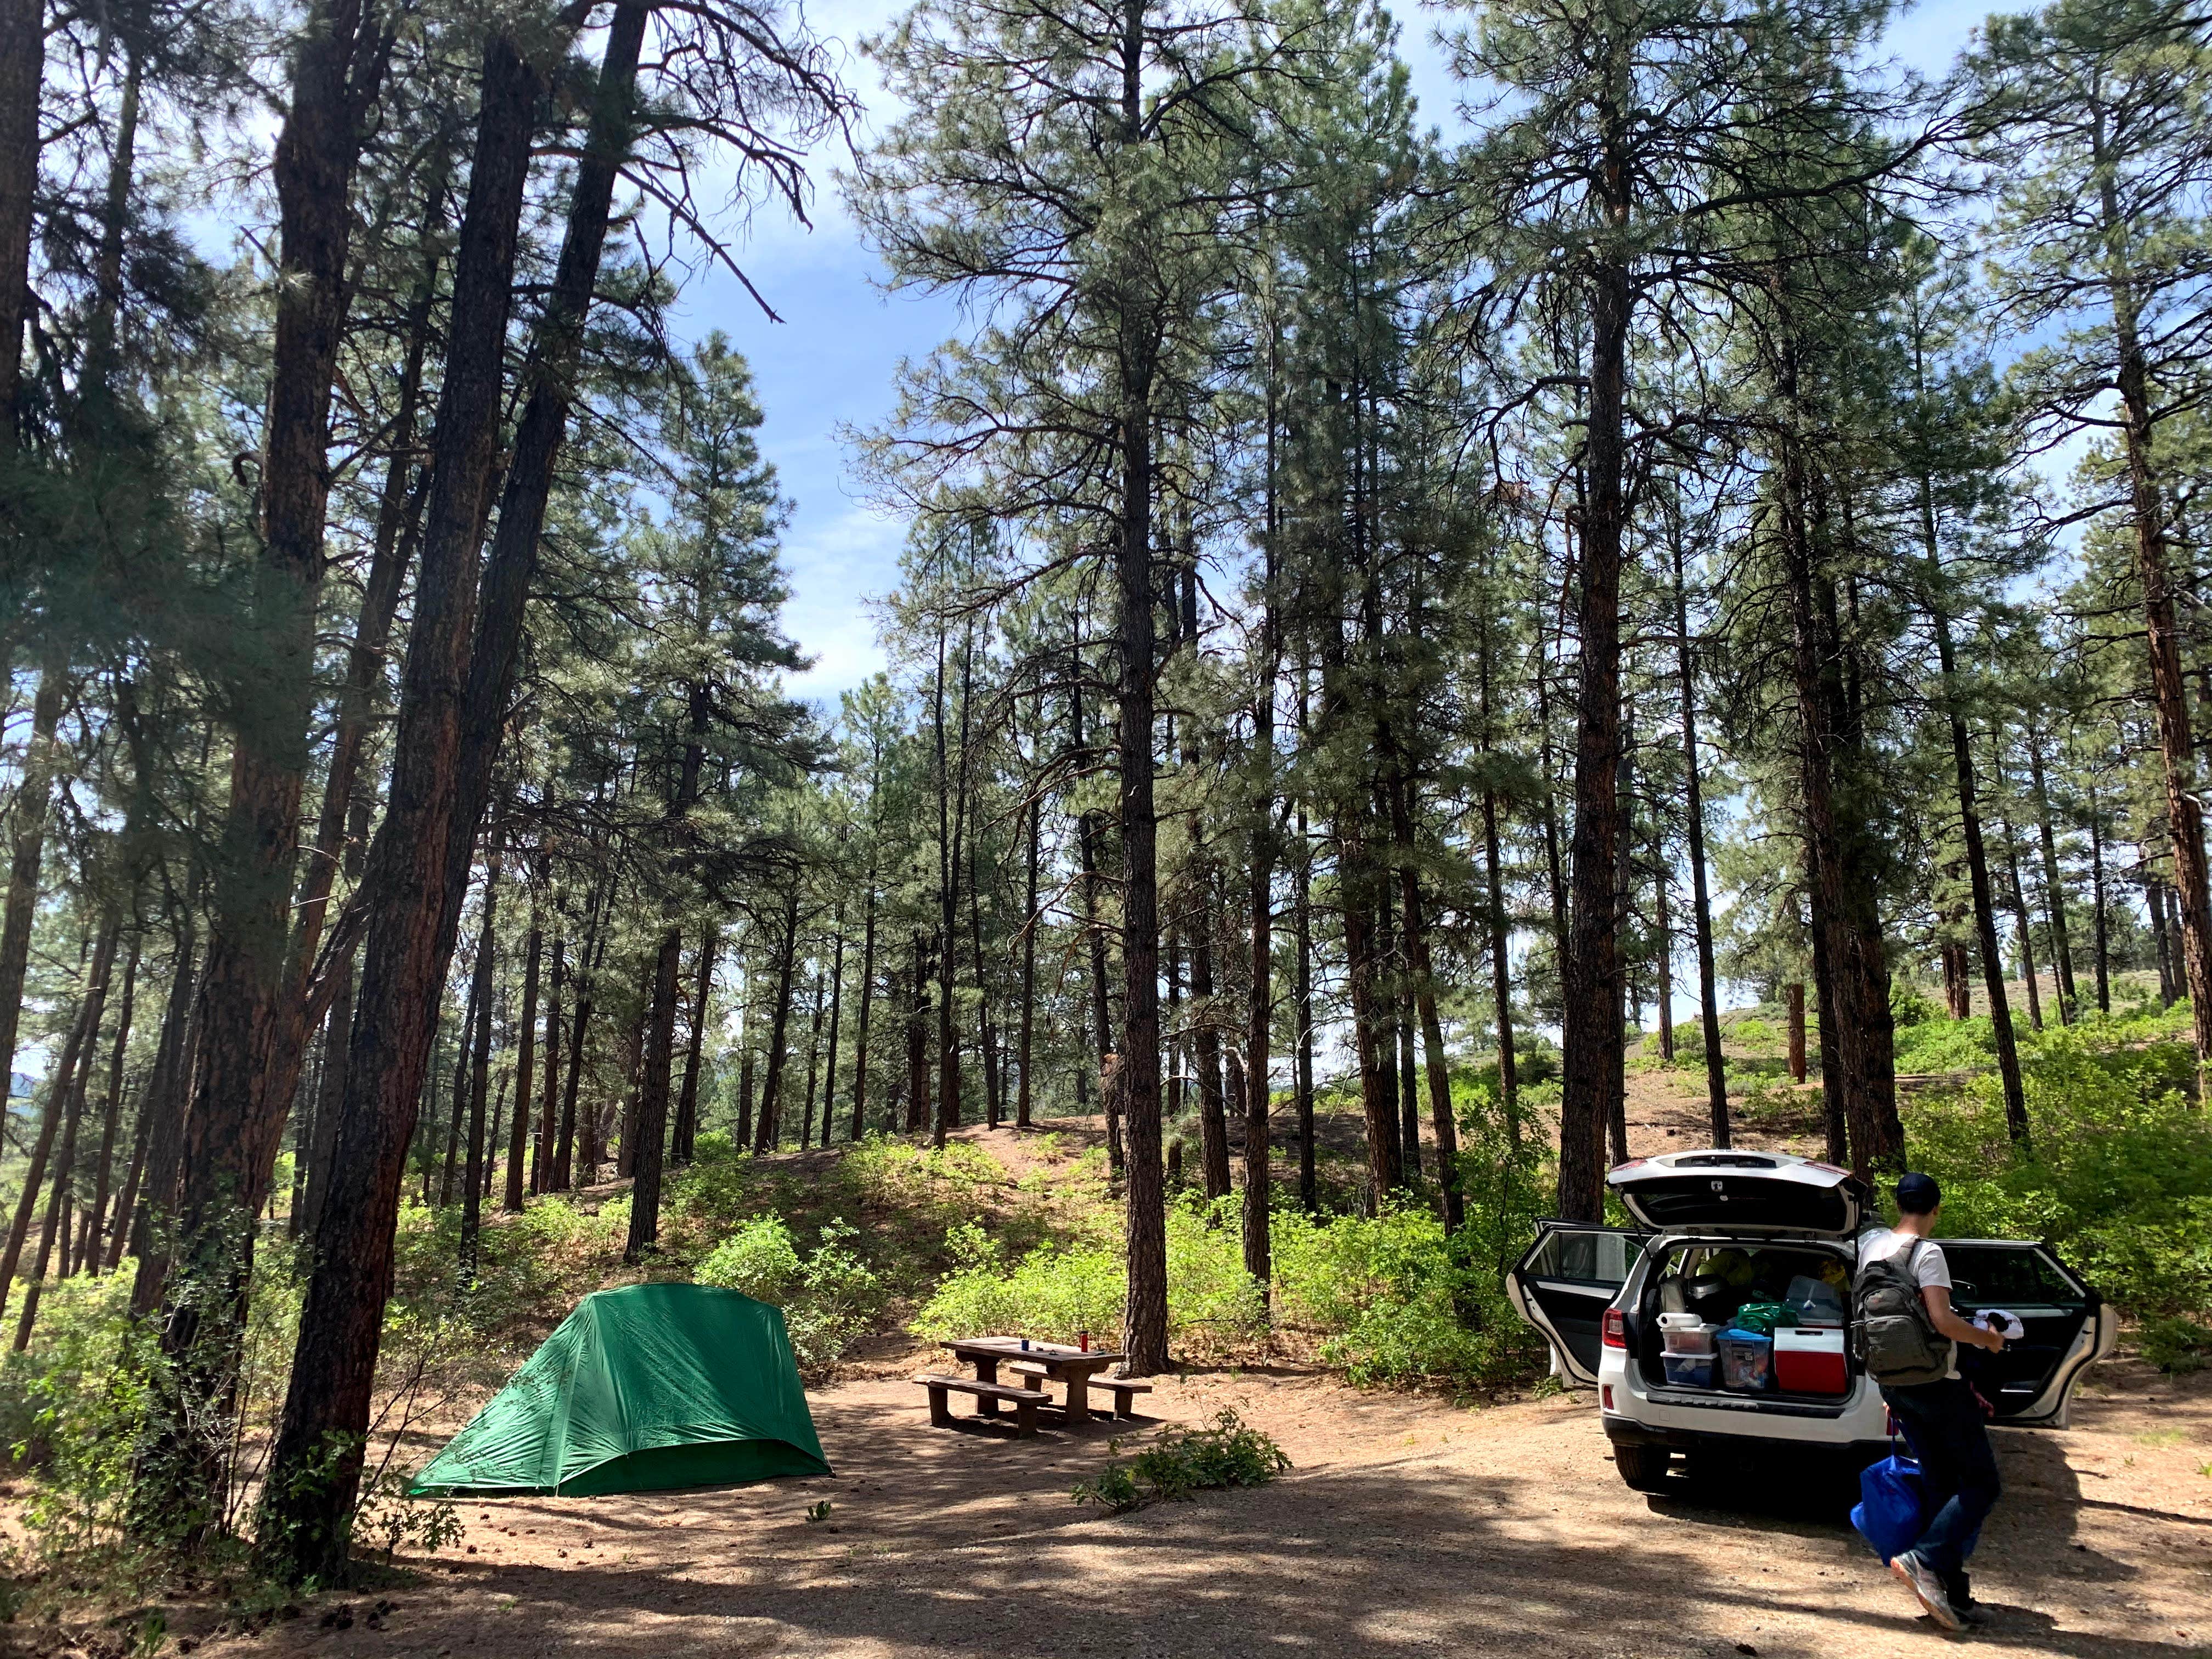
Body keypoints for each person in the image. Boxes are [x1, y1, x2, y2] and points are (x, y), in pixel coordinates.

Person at [1858, 1171, 2007, 1632]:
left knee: (1942, 1486)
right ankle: (1924, 1559)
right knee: (1982, 1484)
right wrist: (1988, 1339)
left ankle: (1953, 1596)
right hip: (1938, 1385)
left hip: (1893, 1385)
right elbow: (1942, 1322)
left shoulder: (1870, 1248)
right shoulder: (1929, 1252)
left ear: (1900, 1205)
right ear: (1935, 1209)